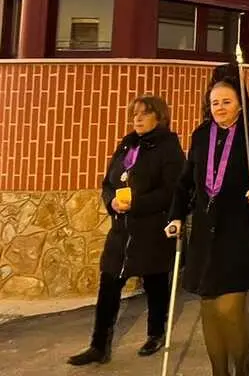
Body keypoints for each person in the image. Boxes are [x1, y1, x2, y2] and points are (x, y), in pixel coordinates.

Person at [166, 65, 249, 376]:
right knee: (209, 309)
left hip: (238, 232)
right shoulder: (201, 136)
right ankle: (219, 372)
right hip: (205, 232)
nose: (220, 108)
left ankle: (242, 369)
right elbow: (185, 182)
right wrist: (176, 216)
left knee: (230, 308)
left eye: (227, 101)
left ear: (240, 104)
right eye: (214, 102)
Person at [68, 96, 185, 366]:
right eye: (134, 114)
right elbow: (108, 182)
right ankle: (98, 345)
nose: (137, 119)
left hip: (151, 230)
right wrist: (111, 201)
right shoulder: (127, 144)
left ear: (159, 117)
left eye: (144, 114)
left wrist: (137, 203)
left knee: (155, 283)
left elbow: (172, 192)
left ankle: (155, 333)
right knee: (109, 284)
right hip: (121, 231)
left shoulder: (168, 148)